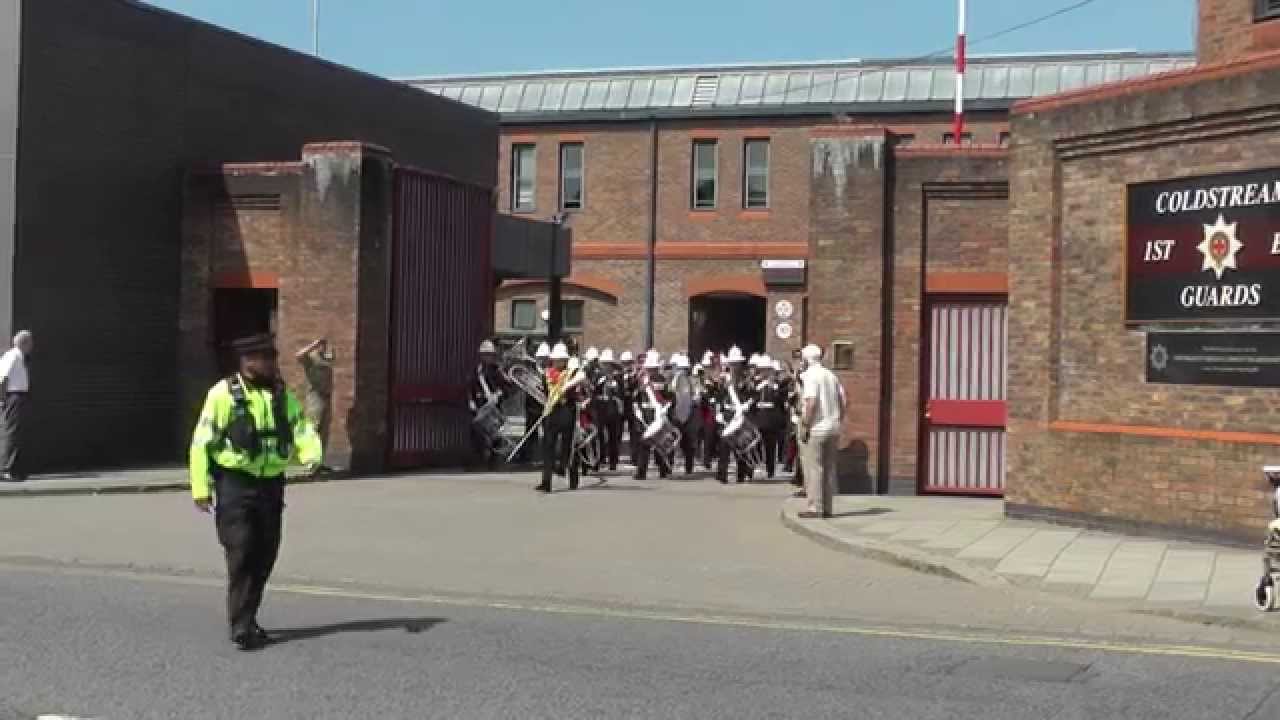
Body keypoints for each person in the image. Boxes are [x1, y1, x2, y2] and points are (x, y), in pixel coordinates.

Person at [188, 333, 323, 651]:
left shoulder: (279, 394)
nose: (271, 364)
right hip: (236, 483)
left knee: (266, 552)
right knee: (242, 550)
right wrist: (200, 486)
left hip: (271, 484)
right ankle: (242, 625)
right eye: (265, 359)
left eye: (272, 358)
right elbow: (201, 441)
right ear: (248, 362)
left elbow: (300, 427)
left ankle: (248, 617)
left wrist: (311, 454)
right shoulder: (222, 395)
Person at [797, 344, 846, 518]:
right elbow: (842, 401)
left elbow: (811, 402)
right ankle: (827, 507)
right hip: (833, 426)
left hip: (817, 428)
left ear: (806, 359)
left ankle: (814, 507)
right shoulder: (831, 375)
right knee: (829, 468)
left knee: (814, 468)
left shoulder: (810, 376)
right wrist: (838, 419)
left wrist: (805, 425)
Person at [537, 343, 582, 493]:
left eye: (562, 359)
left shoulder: (572, 374)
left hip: (568, 410)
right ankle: (546, 482)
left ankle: (572, 478)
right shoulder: (547, 374)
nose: (559, 362)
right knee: (548, 447)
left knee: (569, 446)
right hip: (552, 411)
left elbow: (578, 389)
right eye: (557, 359)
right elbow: (545, 392)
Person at [468, 339, 510, 470]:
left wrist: (499, 394)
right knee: (477, 432)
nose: (487, 357)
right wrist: (471, 401)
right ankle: (478, 461)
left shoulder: (498, 371)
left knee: (495, 434)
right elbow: (470, 387)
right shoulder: (476, 370)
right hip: (481, 405)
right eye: (485, 354)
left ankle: (494, 461)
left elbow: (508, 388)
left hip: (494, 407)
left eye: (489, 354)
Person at [716, 346, 755, 484]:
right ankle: (722, 475)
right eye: (732, 363)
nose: (734, 366)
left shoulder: (746, 380)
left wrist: (747, 404)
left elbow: (752, 396)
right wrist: (719, 412)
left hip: (740, 415)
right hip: (727, 414)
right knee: (724, 447)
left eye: (736, 363)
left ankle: (742, 474)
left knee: (741, 447)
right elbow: (719, 397)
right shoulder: (724, 381)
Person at [632, 350, 672, 480]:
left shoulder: (663, 381)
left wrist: (666, 408)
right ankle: (641, 472)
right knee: (644, 443)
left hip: (658, 414)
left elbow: (670, 398)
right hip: (645, 414)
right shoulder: (641, 380)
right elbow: (636, 397)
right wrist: (637, 409)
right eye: (649, 368)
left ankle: (663, 469)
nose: (650, 370)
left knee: (660, 443)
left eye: (653, 368)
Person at [295, 338, 334, 470]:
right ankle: (310, 462)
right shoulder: (310, 359)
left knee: (324, 430)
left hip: (327, 397)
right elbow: (298, 355)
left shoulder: (327, 360)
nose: (322, 347)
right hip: (315, 397)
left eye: (324, 344)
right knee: (313, 429)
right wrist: (313, 345)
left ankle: (319, 462)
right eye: (320, 345)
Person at [0, 330, 32, 482]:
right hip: (13, 397)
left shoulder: (19, 357)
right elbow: (3, 377)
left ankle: (16, 469)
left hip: (20, 397)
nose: (32, 345)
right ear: (24, 342)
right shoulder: (12, 356)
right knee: (11, 432)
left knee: (18, 432)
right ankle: (6, 469)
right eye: (30, 342)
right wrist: (2, 399)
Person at [515, 342, 551, 464]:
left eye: (545, 358)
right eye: (541, 358)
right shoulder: (531, 371)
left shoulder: (550, 372)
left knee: (548, 434)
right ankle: (527, 457)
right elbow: (525, 385)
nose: (543, 360)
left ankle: (546, 457)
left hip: (546, 406)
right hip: (532, 406)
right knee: (530, 433)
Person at [752, 355, 787, 480]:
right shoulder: (755, 383)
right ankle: (754, 466)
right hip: (758, 418)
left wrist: (775, 389)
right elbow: (751, 401)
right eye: (762, 369)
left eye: (766, 369)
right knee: (754, 444)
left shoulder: (777, 385)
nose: (764, 372)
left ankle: (770, 470)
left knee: (770, 446)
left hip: (771, 419)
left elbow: (781, 402)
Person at [668, 354, 699, 476]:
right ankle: (668, 467)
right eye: (680, 368)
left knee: (688, 443)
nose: (682, 371)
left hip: (689, 414)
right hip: (674, 414)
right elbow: (668, 394)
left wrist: (696, 397)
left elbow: (697, 397)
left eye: (685, 369)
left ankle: (689, 467)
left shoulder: (693, 381)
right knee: (671, 441)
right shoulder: (671, 380)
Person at [596, 348, 625, 471]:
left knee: (614, 437)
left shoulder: (617, 378)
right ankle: (600, 459)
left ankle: (613, 462)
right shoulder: (598, 376)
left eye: (608, 363)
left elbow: (621, 393)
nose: (606, 366)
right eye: (604, 363)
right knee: (599, 436)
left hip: (613, 409)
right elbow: (593, 391)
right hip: (601, 408)